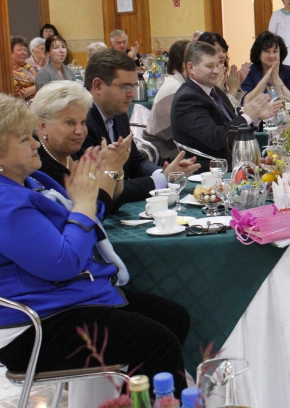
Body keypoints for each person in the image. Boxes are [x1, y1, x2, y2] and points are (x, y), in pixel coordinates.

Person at [0, 95, 190, 396]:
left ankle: (132, 402)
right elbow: (64, 263)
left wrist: (92, 194)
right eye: (25, 139)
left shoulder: (31, 181)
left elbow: (85, 218)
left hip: (60, 300)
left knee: (173, 317)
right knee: (157, 342)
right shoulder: (6, 203)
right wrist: (86, 201)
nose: (35, 144)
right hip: (31, 327)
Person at [83, 50, 199, 204]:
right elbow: (107, 189)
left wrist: (164, 171)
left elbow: (136, 161)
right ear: (98, 85)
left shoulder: (117, 113)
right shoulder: (82, 123)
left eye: (133, 86)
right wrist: (162, 179)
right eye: (125, 87)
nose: (131, 94)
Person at [171, 41, 282, 171]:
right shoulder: (187, 98)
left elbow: (231, 124)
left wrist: (255, 116)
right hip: (212, 169)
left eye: (218, 65)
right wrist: (247, 116)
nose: (216, 71)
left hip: (235, 161)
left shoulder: (214, 91)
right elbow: (215, 138)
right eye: (209, 66)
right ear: (191, 67)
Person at [32, 80, 127, 215]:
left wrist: (117, 168)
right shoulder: (37, 163)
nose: (80, 131)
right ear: (43, 126)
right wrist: (111, 168)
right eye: (70, 123)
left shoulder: (74, 153)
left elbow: (113, 203)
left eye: (83, 122)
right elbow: (92, 213)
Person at [144, 40, 189, 161]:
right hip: (166, 149)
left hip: (172, 143)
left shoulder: (179, 83)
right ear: (182, 62)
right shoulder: (176, 88)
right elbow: (191, 131)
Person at [240, 31, 290, 105]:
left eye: (275, 51)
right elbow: (245, 102)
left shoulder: (288, 71)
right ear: (259, 54)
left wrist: (276, 77)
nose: (271, 55)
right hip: (258, 112)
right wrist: (266, 77)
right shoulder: (249, 71)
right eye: (267, 51)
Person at [197, 32, 249, 107]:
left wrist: (236, 85)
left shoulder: (222, 73)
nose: (222, 55)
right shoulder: (204, 78)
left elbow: (235, 108)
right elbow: (222, 110)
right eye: (217, 51)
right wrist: (232, 89)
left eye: (224, 51)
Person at [268, 0, 290, 70]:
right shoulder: (277, 14)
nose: (289, 1)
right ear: (283, 1)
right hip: (283, 47)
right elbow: (271, 33)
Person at [11, 37, 36, 101]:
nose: (24, 53)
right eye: (19, 50)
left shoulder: (28, 67)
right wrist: (38, 86)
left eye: (25, 50)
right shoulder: (8, 72)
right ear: (10, 53)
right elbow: (18, 94)